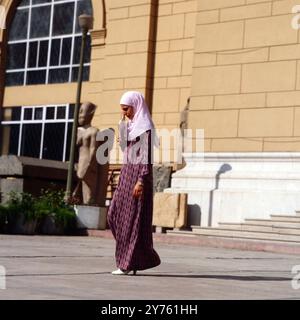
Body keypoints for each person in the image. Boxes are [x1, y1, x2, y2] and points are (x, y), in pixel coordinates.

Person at [108, 91, 161, 275]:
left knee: (132, 222)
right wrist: (122, 127)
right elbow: (124, 148)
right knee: (113, 215)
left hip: (138, 178)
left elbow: (146, 157)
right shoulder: (129, 126)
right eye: (122, 110)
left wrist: (141, 181)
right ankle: (137, 259)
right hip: (126, 176)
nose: (124, 113)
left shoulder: (145, 128)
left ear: (135, 106)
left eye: (126, 109)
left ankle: (126, 264)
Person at [72, 102, 108, 206]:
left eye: (82, 112)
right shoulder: (78, 131)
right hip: (79, 166)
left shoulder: (94, 132)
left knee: (88, 196)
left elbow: (93, 150)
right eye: (79, 112)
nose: (79, 115)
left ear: (91, 114)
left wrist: (89, 166)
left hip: (89, 167)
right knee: (76, 196)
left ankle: (88, 219)